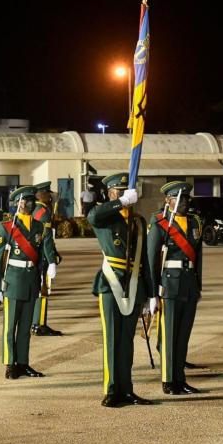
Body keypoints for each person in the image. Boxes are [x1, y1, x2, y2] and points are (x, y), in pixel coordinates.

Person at [88, 172, 154, 408]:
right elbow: (93, 216)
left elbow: (144, 259)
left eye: (127, 191)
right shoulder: (106, 218)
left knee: (126, 341)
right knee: (113, 339)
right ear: (110, 194)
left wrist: (150, 295)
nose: (124, 194)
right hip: (111, 283)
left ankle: (127, 390)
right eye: (118, 191)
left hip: (134, 283)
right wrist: (120, 203)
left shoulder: (138, 222)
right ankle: (112, 389)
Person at [146, 181, 203, 395]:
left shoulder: (195, 222)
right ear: (167, 201)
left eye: (186, 198)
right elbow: (151, 259)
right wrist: (152, 293)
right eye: (178, 199)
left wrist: (198, 285)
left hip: (188, 284)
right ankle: (169, 380)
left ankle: (181, 379)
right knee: (169, 335)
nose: (183, 202)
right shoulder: (160, 222)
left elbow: (198, 258)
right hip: (168, 285)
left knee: (183, 336)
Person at [0, 185, 50, 379]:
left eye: (32, 200)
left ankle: (23, 362)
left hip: (31, 280)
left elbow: (40, 256)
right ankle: (10, 363)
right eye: (26, 201)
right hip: (13, 281)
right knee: (10, 326)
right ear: (18, 203)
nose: (30, 203)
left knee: (25, 327)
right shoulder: (7, 227)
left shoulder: (39, 227)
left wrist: (42, 279)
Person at [31, 181, 62, 336]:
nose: (50, 196)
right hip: (42, 257)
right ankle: (40, 324)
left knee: (35, 290)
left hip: (32, 255)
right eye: (47, 194)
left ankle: (34, 322)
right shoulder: (44, 213)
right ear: (41, 195)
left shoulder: (34, 210)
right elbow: (47, 239)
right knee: (43, 290)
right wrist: (51, 260)